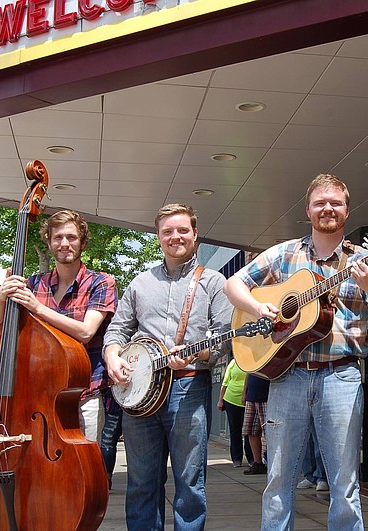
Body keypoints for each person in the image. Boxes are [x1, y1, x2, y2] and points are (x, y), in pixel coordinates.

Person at [224, 173, 368, 530]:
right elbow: (233, 283)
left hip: (342, 375)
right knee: (278, 480)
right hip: (288, 376)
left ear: (347, 209)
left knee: (344, 484)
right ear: (308, 210)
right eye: (320, 202)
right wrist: (258, 309)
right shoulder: (284, 253)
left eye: (335, 202)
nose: (328, 208)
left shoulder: (365, 259)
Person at [103, 203, 233, 531]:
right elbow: (117, 329)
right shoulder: (140, 283)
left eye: (182, 230)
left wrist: (197, 355)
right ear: (159, 237)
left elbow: (224, 338)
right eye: (168, 232)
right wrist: (112, 356)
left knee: (190, 484)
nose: (175, 237)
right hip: (140, 393)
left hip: (189, 387)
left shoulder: (215, 283)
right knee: (141, 483)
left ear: (195, 234)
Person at [0, 209, 118, 443]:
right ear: (49, 242)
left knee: (85, 471)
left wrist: (38, 308)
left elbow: (86, 331)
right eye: (57, 238)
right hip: (38, 396)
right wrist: (1, 300)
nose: (64, 243)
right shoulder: (33, 284)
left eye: (71, 237)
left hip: (84, 394)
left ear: (82, 242)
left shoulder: (102, 282)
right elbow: (4, 334)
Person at [217, 357, 253, 468]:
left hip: (247, 400)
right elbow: (225, 382)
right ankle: (237, 459)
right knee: (235, 430)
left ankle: (251, 459)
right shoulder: (233, 363)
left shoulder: (251, 362)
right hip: (231, 399)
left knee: (248, 431)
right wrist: (220, 400)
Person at [241, 374, 269, 476]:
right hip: (252, 396)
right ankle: (258, 463)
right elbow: (248, 373)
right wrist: (245, 392)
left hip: (267, 395)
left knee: (270, 432)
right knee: (250, 430)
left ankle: (271, 462)